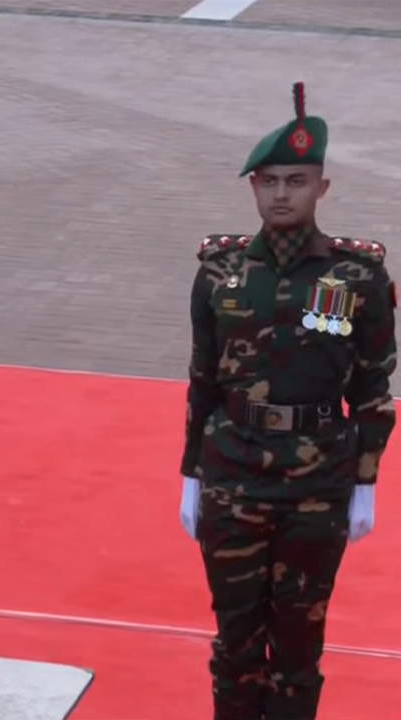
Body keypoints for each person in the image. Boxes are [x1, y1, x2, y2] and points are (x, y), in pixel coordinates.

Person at [178, 82, 394, 720]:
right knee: (235, 642)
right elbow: (202, 379)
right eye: (268, 181)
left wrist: (365, 482)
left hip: (317, 485)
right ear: (252, 187)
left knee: (299, 646)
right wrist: (190, 472)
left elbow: (374, 388)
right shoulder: (219, 272)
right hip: (232, 476)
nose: (281, 193)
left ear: (321, 188)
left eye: (296, 181)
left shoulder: (358, 277)